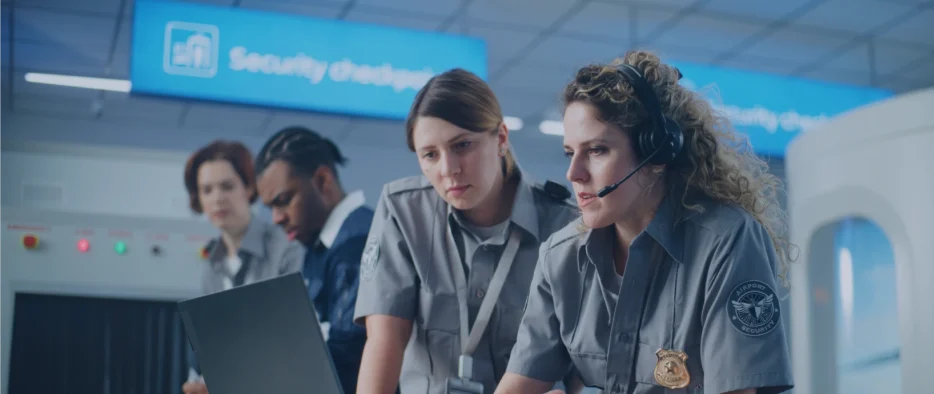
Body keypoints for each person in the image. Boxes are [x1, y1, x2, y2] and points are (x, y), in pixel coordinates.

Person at [495, 50, 796, 394]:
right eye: (569, 152)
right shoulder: (559, 258)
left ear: (657, 153)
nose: (573, 173)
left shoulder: (727, 242)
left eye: (596, 151)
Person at [352, 68, 579, 394]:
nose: (448, 170)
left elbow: (581, 361)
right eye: (430, 155)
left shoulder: (564, 227)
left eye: (462, 146)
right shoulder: (404, 213)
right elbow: (385, 341)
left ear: (501, 138)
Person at [254, 127, 373, 394]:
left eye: (283, 201)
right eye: (271, 207)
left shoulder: (358, 244)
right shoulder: (319, 246)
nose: (276, 218)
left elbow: (347, 357)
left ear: (322, 180)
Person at [180, 140, 305, 394]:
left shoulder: (285, 249)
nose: (217, 199)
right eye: (207, 190)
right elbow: (207, 348)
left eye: (227, 186)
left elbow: (294, 344)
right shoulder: (212, 266)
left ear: (249, 188)